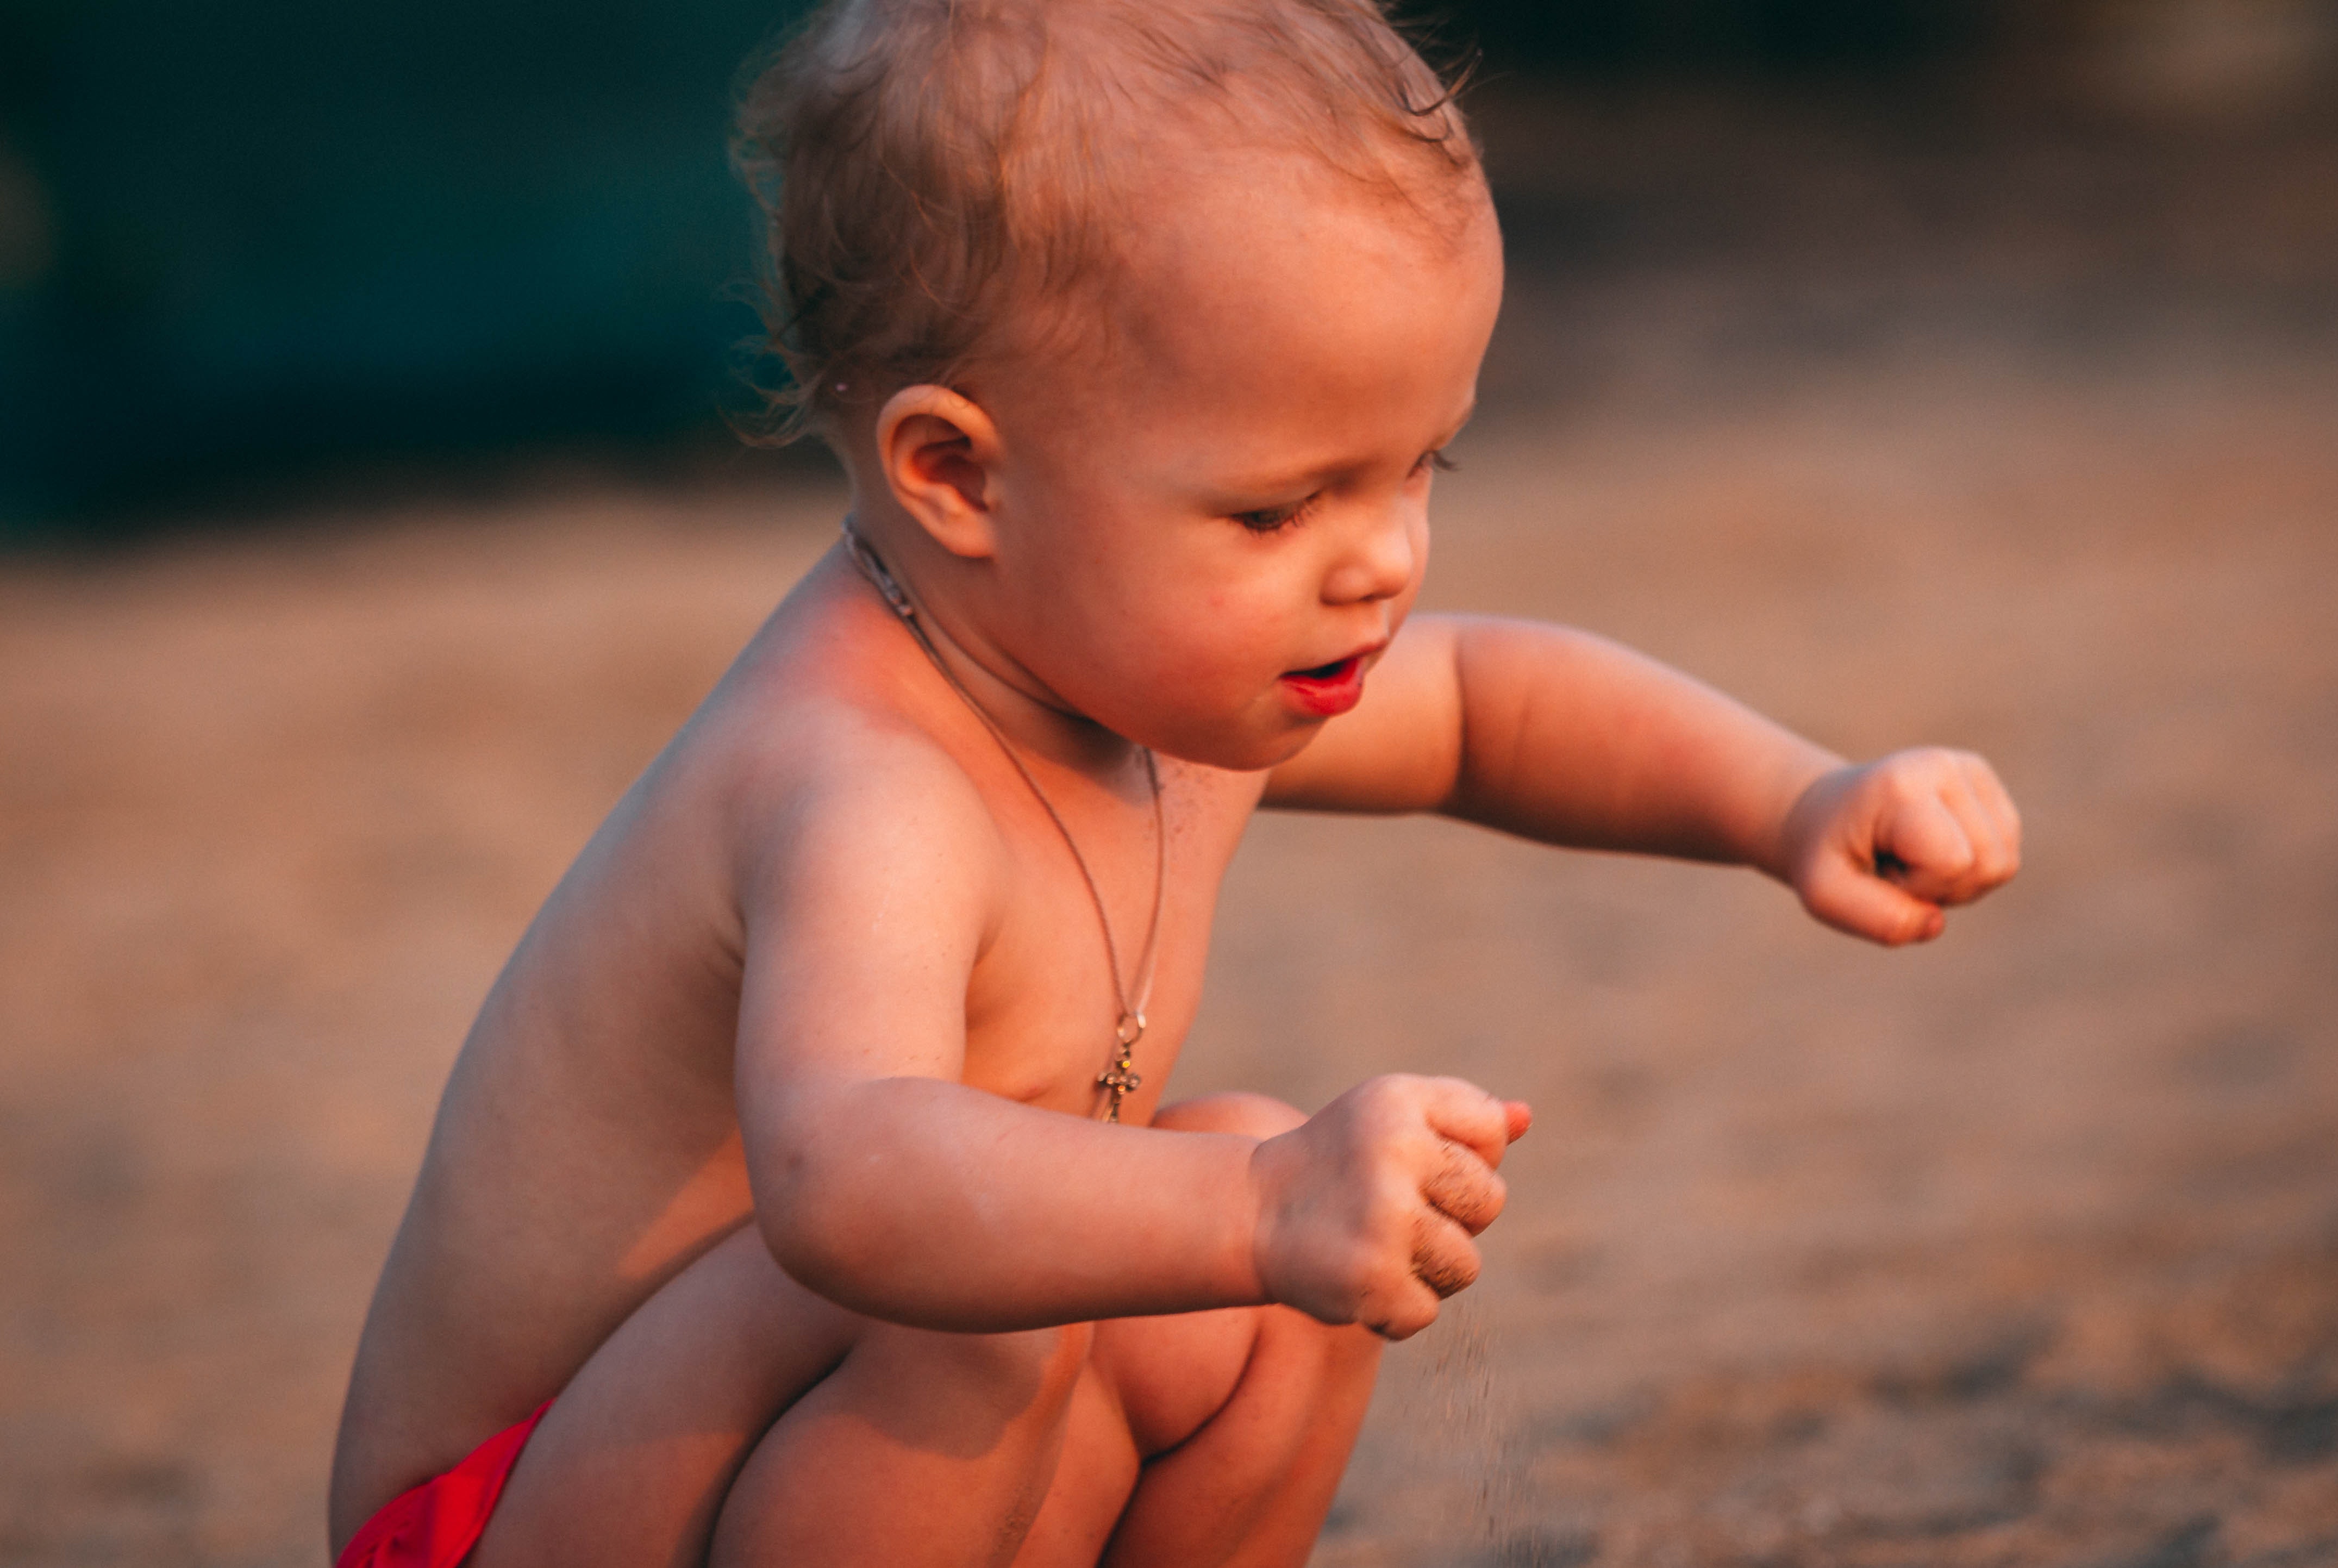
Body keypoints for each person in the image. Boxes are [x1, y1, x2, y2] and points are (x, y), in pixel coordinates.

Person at [327, 1, 2022, 1564]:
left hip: (803, 1460)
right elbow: (849, 1182)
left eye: (1422, 466)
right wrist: (1261, 1209)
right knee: (1058, 1264)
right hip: (511, 1518)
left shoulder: (1151, 663)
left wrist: (1796, 800)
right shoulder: (868, 789)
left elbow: (1494, 706)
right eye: (1280, 510)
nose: (1380, 565)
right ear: (958, 476)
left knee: (1262, 1259)